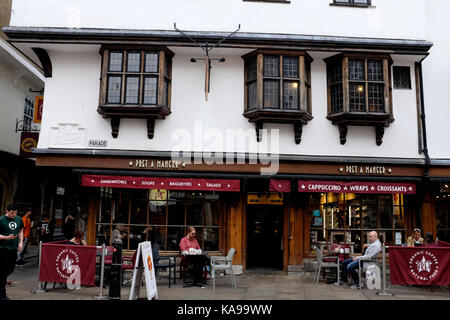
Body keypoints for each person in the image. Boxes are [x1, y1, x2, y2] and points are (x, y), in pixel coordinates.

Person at [0, 204, 24, 300]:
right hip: (2, 248)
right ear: (7, 211)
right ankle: (2, 294)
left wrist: (21, 242)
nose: (14, 215)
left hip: (13, 248)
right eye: (12, 213)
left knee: (10, 269)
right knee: (2, 271)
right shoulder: (1, 220)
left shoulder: (18, 219)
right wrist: (7, 237)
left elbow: (21, 230)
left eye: (15, 212)